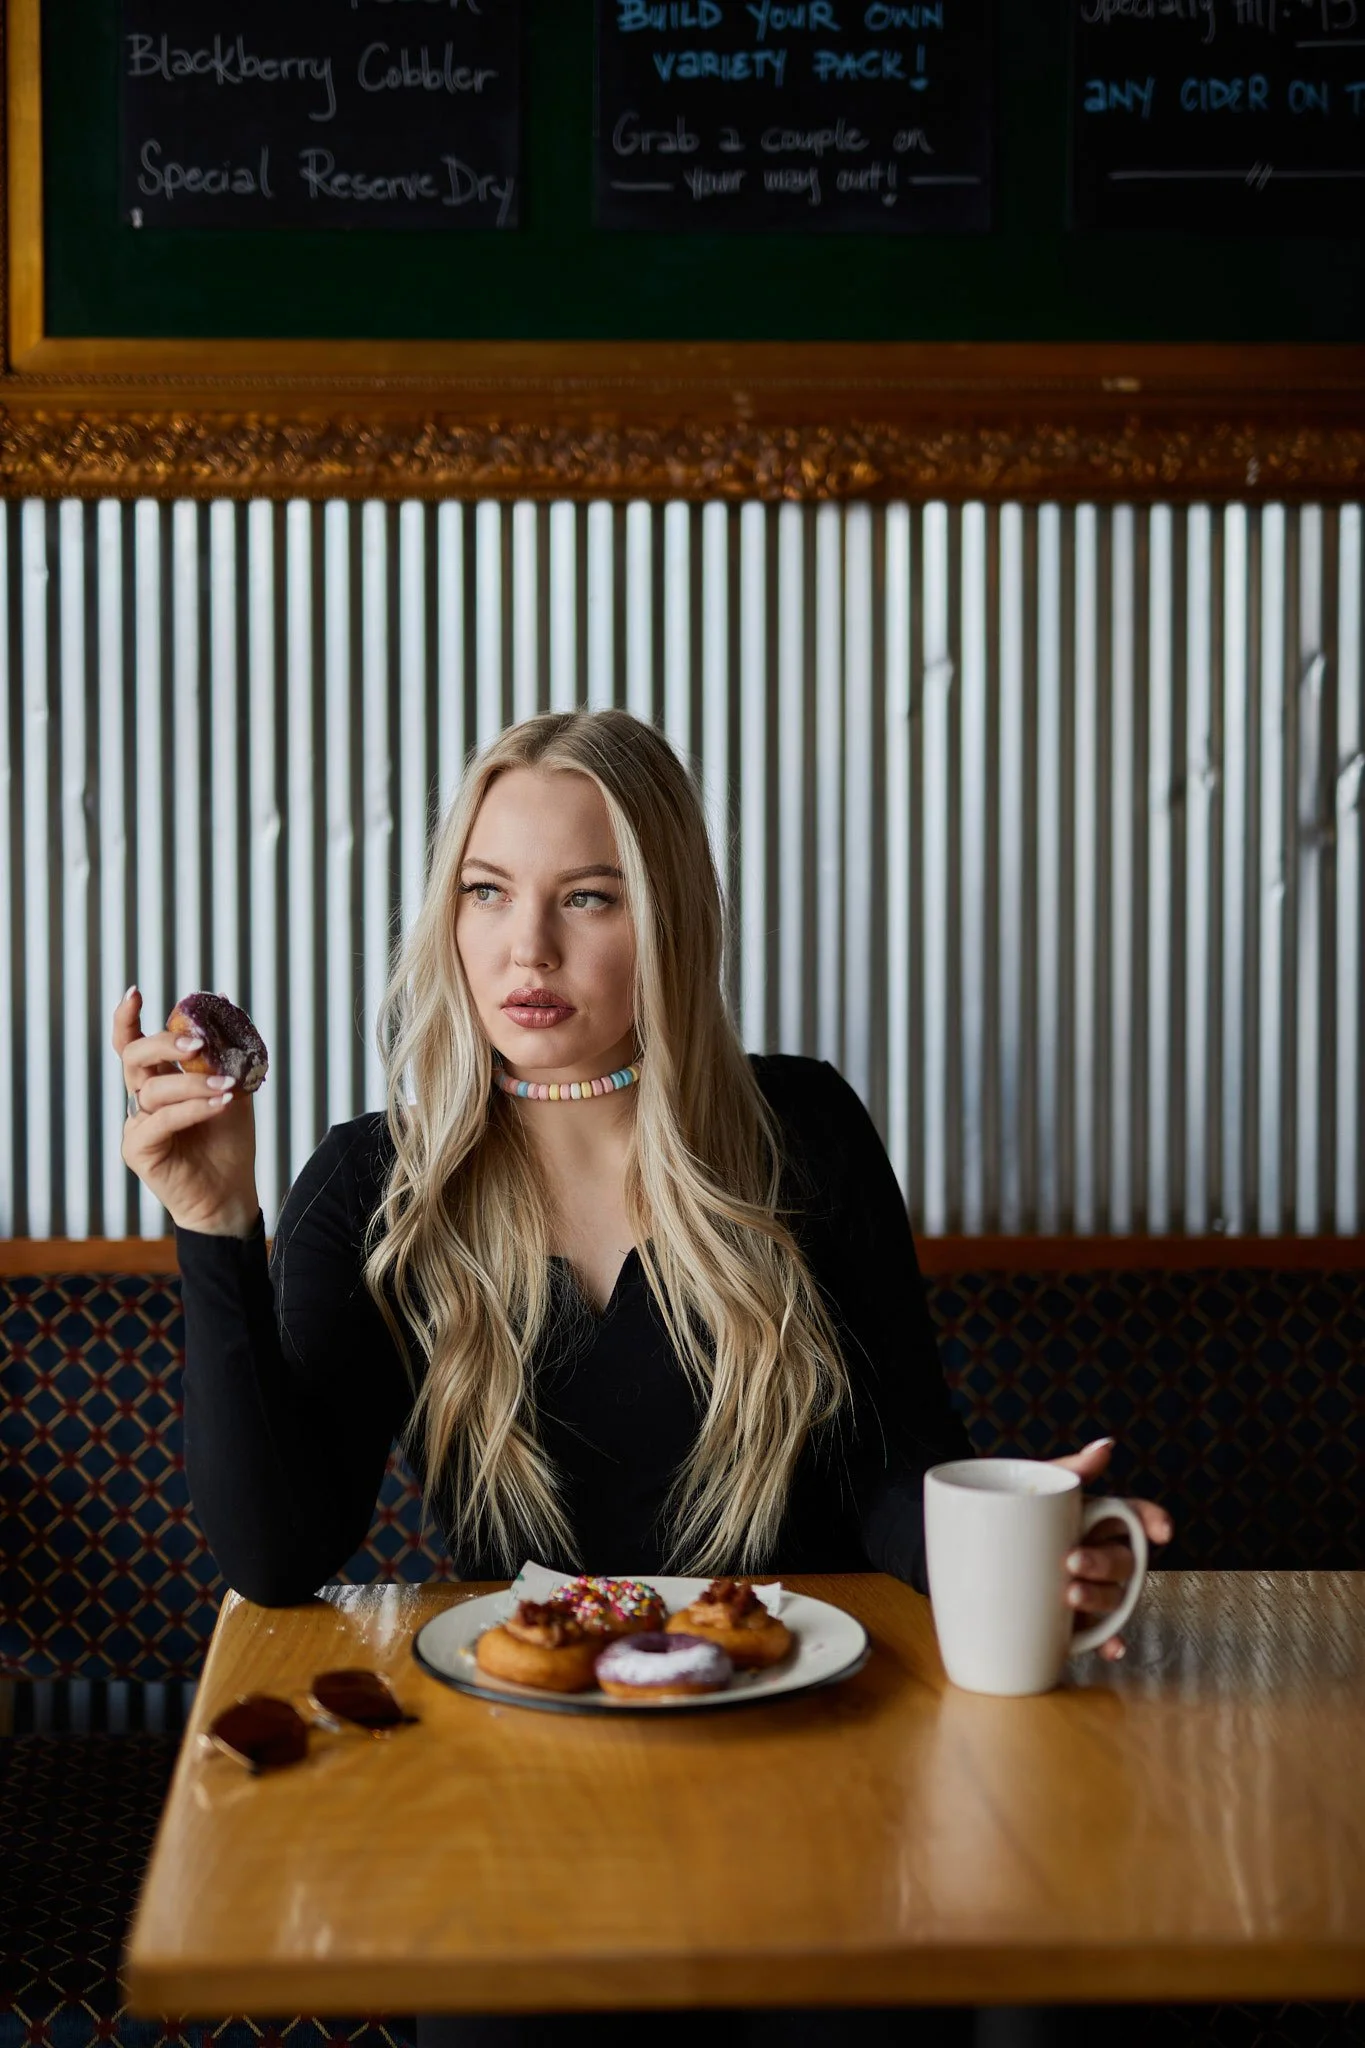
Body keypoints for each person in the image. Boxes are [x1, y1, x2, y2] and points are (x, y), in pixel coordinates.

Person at [114, 708, 1171, 2048]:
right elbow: (276, 1551)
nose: (526, 948)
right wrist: (216, 1224)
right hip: (513, 1798)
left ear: (665, 922)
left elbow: (894, 1469)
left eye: (588, 898)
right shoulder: (376, 1181)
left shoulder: (805, 1134)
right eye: (487, 893)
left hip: (814, 1764)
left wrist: (1006, 1544)